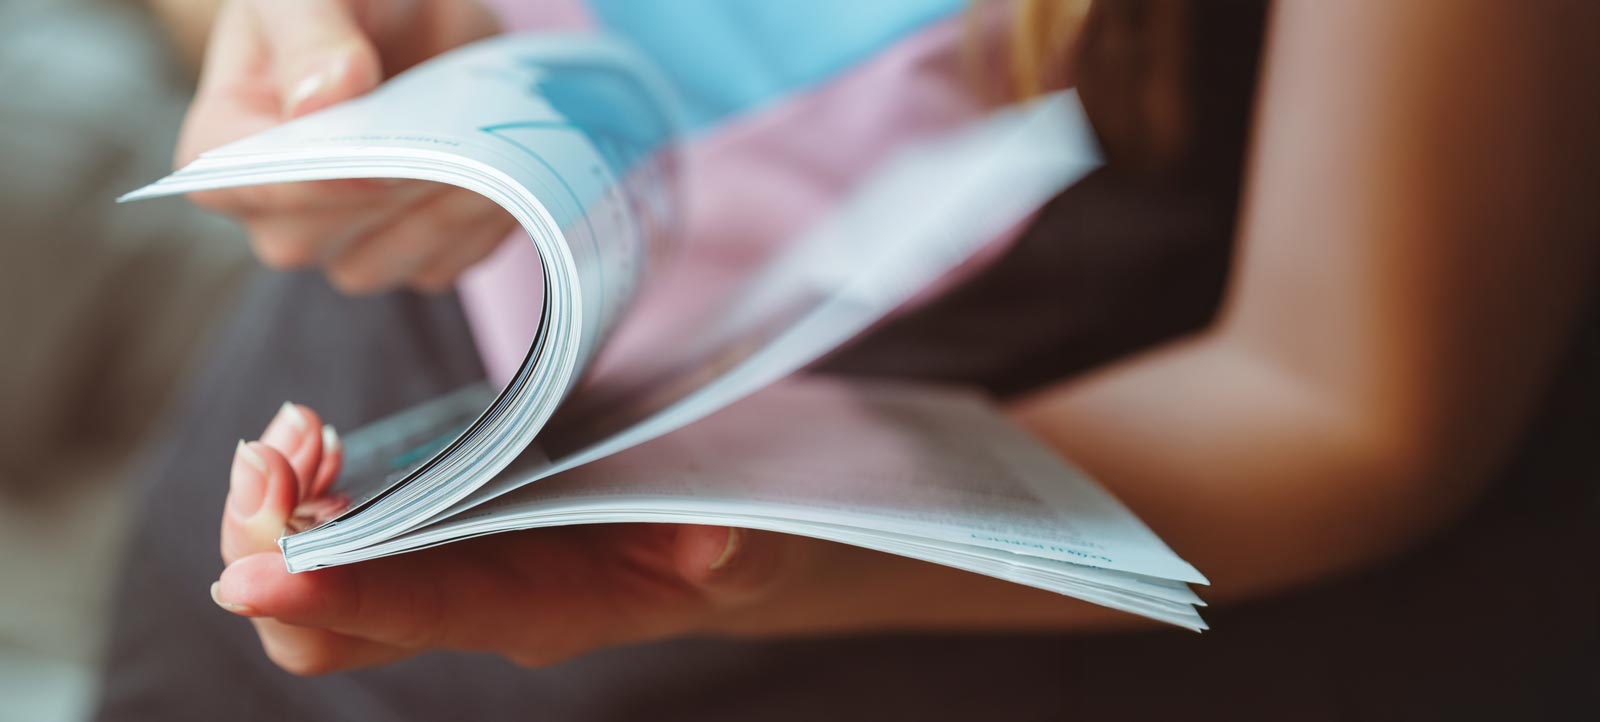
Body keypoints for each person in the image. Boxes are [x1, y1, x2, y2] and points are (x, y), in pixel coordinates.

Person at [95, 1, 1598, 719]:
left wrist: (779, 555)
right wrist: (288, 46)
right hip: (338, 453)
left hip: (981, 560)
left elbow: (1344, 396)